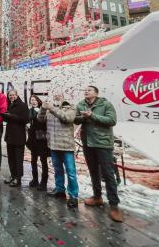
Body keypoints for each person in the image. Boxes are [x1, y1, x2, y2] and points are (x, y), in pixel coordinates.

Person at [75, 85, 122, 222]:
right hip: (88, 143)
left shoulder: (106, 104)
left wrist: (92, 115)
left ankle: (114, 206)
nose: (86, 91)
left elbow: (112, 121)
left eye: (89, 90)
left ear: (96, 93)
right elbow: (76, 120)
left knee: (108, 174)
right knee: (93, 171)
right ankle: (97, 197)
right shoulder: (81, 104)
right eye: (85, 90)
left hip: (102, 143)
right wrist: (82, 117)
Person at [38, 89, 79, 208]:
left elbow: (68, 118)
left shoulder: (70, 107)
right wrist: (43, 109)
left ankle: (73, 195)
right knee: (57, 169)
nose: (56, 95)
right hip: (53, 144)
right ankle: (60, 189)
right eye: (54, 93)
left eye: (59, 94)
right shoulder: (50, 108)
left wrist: (51, 108)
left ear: (63, 96)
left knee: (71, 172)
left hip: (66, 145)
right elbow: (40, 119)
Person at [2, 90, 29, 187]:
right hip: (10, 136)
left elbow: (25, 119)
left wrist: (11, 116)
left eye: (13, 95)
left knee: (18, 159)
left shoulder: (23, 105)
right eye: (10, 95)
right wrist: (4, 116)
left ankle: (18, 178)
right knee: (11, 158)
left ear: (17, 95)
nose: (11, 96)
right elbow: (8, 119)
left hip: (19, 136)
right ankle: (12, 175)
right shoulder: (9, 105)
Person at [26, 95, 49, 191]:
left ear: (38, 101)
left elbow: (44, 122)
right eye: (31, 100)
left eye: (34, 100)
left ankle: (44, 182)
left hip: (42, 139)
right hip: (33, 139)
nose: (33, 101)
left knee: (43, 161)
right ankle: (35, 179)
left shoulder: (43, 110)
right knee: (33, 160)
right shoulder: (30, 111)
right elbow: (27, 120)